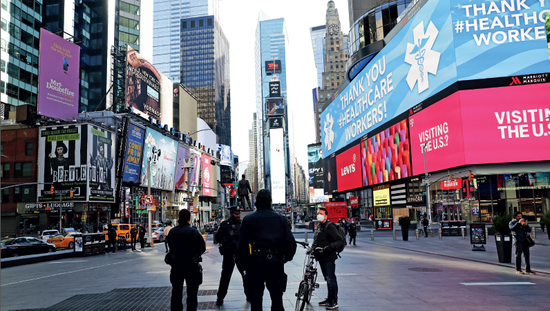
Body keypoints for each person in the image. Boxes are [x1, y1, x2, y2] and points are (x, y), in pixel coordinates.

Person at [237, 189, 297, 311]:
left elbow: (242, 245)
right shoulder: (280, 219)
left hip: (255, 262)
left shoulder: (248, 219)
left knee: (256, 299)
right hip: (275, 262)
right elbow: (290, 243)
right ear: (270, 201)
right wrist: (284, 259)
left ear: (257, 202)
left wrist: (245, 264)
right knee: (277, 298)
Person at [167, 209, 206, 311]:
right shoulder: (193, 232)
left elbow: (170, 247)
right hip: (191, 266)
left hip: (176, 266)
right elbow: (202, 248)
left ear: (179, 218)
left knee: (176, 292)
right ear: (189, 218)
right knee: (192, 293)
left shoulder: (172, 231)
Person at [215, 206, 247, 306]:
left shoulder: (243, 224)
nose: (237, 215)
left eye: (238, 213)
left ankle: (249, 295)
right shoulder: (225, 225)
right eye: (235, 213)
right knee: (225, 277)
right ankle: (220, 297)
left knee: (246, 276)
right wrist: (227, 243)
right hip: (229, 254)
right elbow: (218, 237)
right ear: (231, 213)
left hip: (241, 255)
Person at [313, 208, 344, 310]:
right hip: (321, 257)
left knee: (331, 278)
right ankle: (329, 299)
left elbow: (339, 241)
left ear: (326, 216)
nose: (319, 215)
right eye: (318, 213)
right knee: (327, 278)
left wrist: (328, 248)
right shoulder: (319, 226)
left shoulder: (329, 226)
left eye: (321, 214)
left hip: (328, 257)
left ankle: (334, 301)